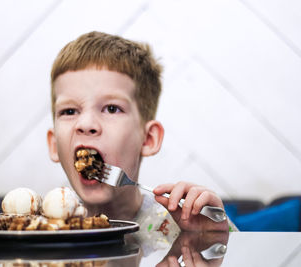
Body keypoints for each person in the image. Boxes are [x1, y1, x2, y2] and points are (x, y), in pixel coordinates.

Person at [46, 31, 232, 233]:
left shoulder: (181, 228)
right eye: (69, 111)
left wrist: (211, 240)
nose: (86, 123)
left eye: (111, 108)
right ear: (54, 144)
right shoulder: (40, 229)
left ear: (148, 139)